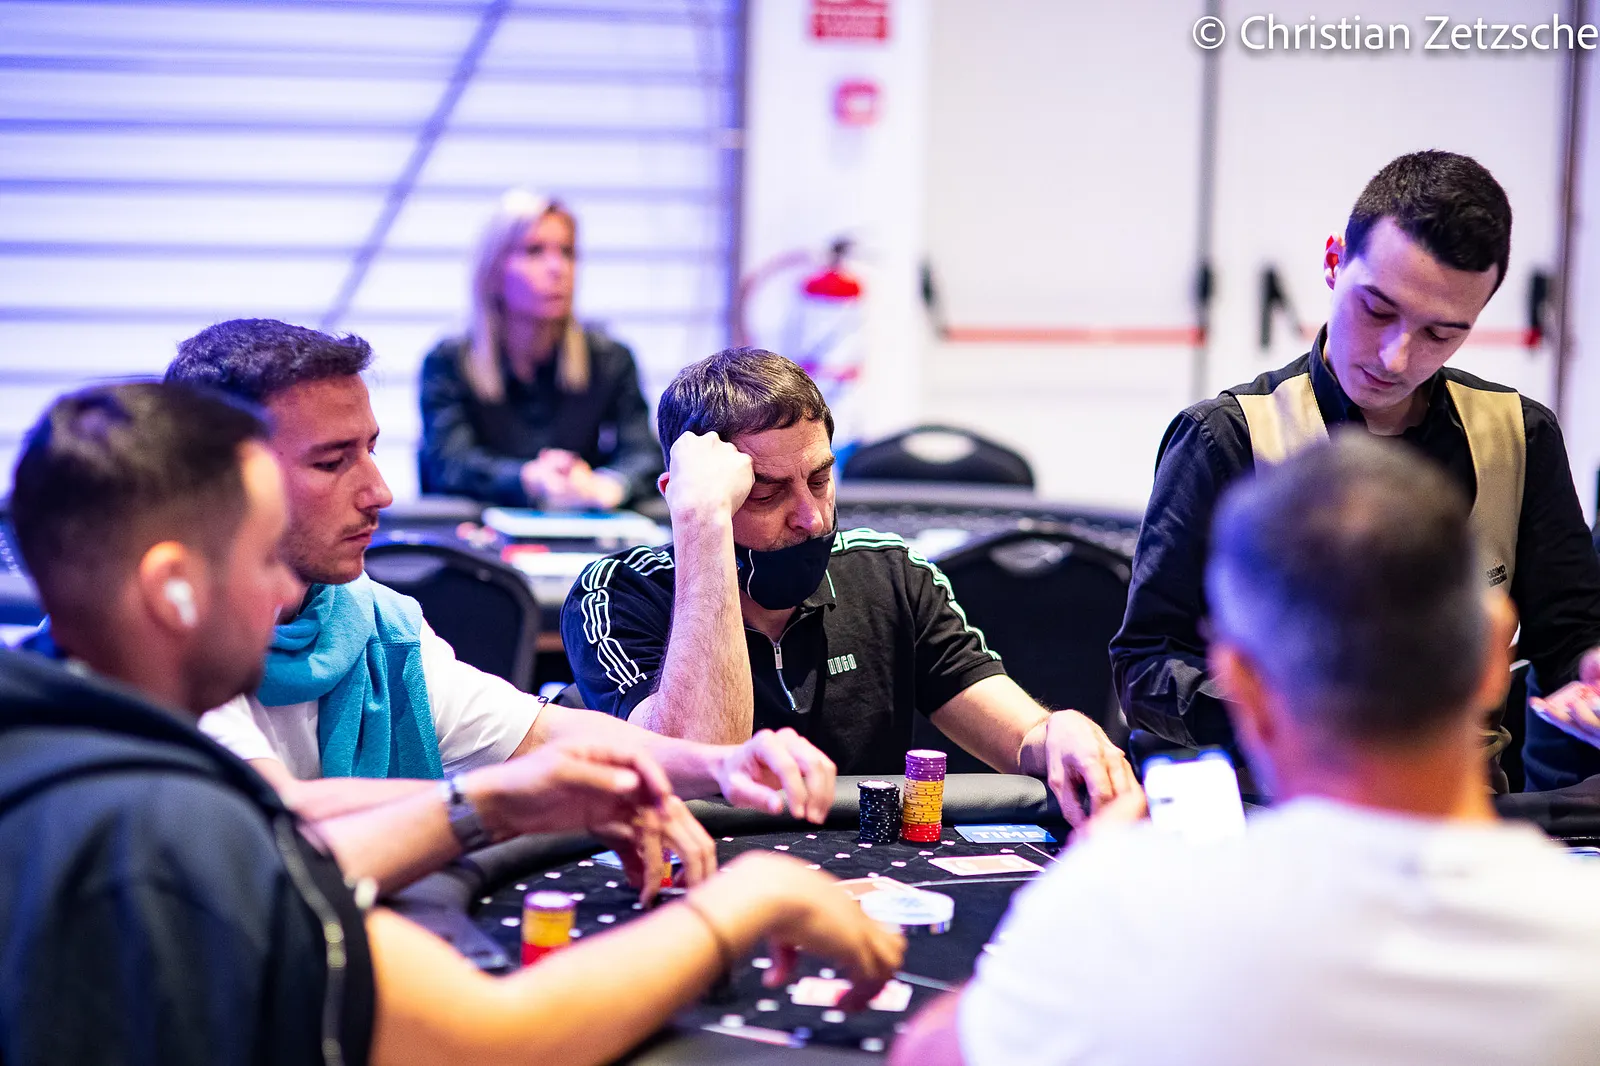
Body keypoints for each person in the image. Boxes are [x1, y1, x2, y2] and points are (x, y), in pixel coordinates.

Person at [0, 381, 903, 1066]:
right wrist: (752, 899)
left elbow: (534, 742)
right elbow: (502, 1037)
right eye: (260, 556)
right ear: (171, 589)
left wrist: (529, 796)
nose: (284, 590)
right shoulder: (164, 833)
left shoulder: (48, 745)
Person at [891, 433, 1600, 1066]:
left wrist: (1074, 900)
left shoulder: (1122, 913)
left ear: (1243, 686)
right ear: (1492, 652)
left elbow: (927, 1056)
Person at [164, 320, 837, 879]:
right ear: (228, 480)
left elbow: (552, 735)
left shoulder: (369, 621)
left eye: (370, 450)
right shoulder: (165, 642)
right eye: (331, 462)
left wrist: (722, 763)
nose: (379, 492)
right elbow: (275, 820)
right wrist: (512, 800)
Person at [1109, 149, 1600, 792]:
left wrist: (1590, 673)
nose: (1397, 357)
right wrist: (1307, 718)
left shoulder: (1519, 437)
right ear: (1334, 261)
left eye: (1440, 334)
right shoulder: (1225, 438)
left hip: (1461, 808)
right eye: (1378, 310)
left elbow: (1569, 637)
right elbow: (1147, 664)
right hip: (1269, 806)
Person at [561, 346, 1136, 823]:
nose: (811, 517)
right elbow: (700, 762)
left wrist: (1061, 733)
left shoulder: (889, 573)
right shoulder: (616, 596)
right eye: (765, 493)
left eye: (819, 480)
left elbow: (1024, 737)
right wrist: (703, 526)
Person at [418, 189, 663, 509]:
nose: (557, 268)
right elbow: (450, 465)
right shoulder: (449, 362)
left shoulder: (610, 358)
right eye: (534, 251)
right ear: (494, 270)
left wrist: (607, 485)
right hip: (478, 530)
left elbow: (644, 453)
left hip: (581, 525)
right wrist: (529, 478)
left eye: (567, 252)